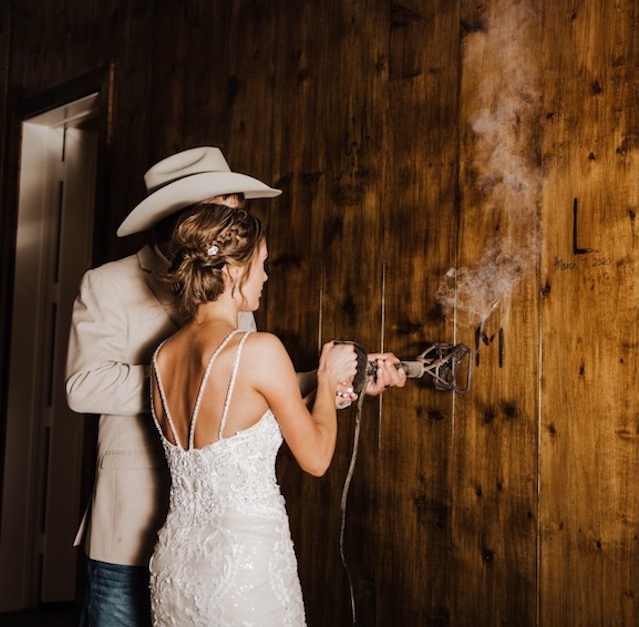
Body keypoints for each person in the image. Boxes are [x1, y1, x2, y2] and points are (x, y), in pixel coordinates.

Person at [65, 146, 406, 627]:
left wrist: (340, 379)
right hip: (134, 523)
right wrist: (196, 377)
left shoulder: (236, 292)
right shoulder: (108, 283)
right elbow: (83, 387)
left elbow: (248, 386)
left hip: (217, 537)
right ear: (188, 216)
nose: (238, 220)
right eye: (229, 207)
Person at [149, 203, 356, 625]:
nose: (265, 276)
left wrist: (322, 391)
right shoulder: (258, 349)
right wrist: (329, 377)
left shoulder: (162, 356)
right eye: (261, 265)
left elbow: (250, 408)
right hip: (242, 571)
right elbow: (316, 458)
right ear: (231, 272)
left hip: (175, 567)